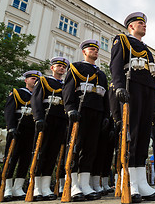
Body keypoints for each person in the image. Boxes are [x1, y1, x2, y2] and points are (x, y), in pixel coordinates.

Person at [110, 12, 155, 202]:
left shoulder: (146, 49)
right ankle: (129, 182)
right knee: (131, 133)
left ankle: (141, 183)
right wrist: (118, 87)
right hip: (131, 88)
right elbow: (115, 66)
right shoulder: (122, 40)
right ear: (131, 26)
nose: (144, 26)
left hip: (147, 92)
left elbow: (151, 74)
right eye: (141, 23)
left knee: (142, 136)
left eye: (145, 23)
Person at [63, 39, 110, 201]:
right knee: (76, 147)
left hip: (97, 113)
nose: (95, 51)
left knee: (91, 149)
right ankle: (74, 184)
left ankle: (85, 184)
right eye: (91, 49)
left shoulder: (101, 74)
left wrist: (105, 116)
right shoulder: (76, 67)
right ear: (84, 51)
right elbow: (68, 89)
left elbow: (105, 97)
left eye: (96, 50)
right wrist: (70, 108)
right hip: (80, 112)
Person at [30, 57, 69, 201]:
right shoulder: (44, 81)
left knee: (53, 153)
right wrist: (38, 117)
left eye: (64, 67)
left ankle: (45, 187)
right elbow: (36, 99)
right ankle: (35, 187)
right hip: (46, 118)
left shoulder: (65, 85)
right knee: (41, 151)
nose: (62, 69)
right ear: (52, 68)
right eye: (59, 66)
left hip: (60, 120)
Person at [3, 70, 41, 201]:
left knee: (25, 160)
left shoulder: (38, 95)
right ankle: (7, 187)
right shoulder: (18, 93)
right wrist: (10, 126)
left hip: (31, 131)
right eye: (32, 79)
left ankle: (17, 187)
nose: (34, 81)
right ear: (26, 80)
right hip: (17, 129)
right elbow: (9, 110)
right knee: (11, 158)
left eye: (37, 80)